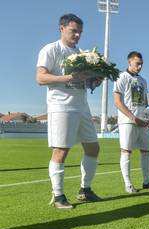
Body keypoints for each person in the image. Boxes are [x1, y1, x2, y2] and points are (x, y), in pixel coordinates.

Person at [36, 13, 103, 209]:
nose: (77, 36)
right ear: (61, 28)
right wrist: (70, 77)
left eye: (80, 32)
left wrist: (93, 81)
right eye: (74, 31)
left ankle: (85, 190)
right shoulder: (51, 49)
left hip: (82, 106)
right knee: (61, 151)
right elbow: (40, 78)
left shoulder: (81, 54)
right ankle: (58, 196)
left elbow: (82, 80)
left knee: (93, 148)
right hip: (61, 106)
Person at [113, 51, 149, 193]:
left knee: (146, 151)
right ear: (129, 62)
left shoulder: (143, 81)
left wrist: (147, 117)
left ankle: (146, 181)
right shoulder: (120, 77)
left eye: (141, 64)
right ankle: (128, 184)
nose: (139, 67)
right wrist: (133, 118)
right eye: (137, 64)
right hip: (128, 121)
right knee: (126, 151)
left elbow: (144, 103)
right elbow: (117, 102)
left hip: (142, 122)